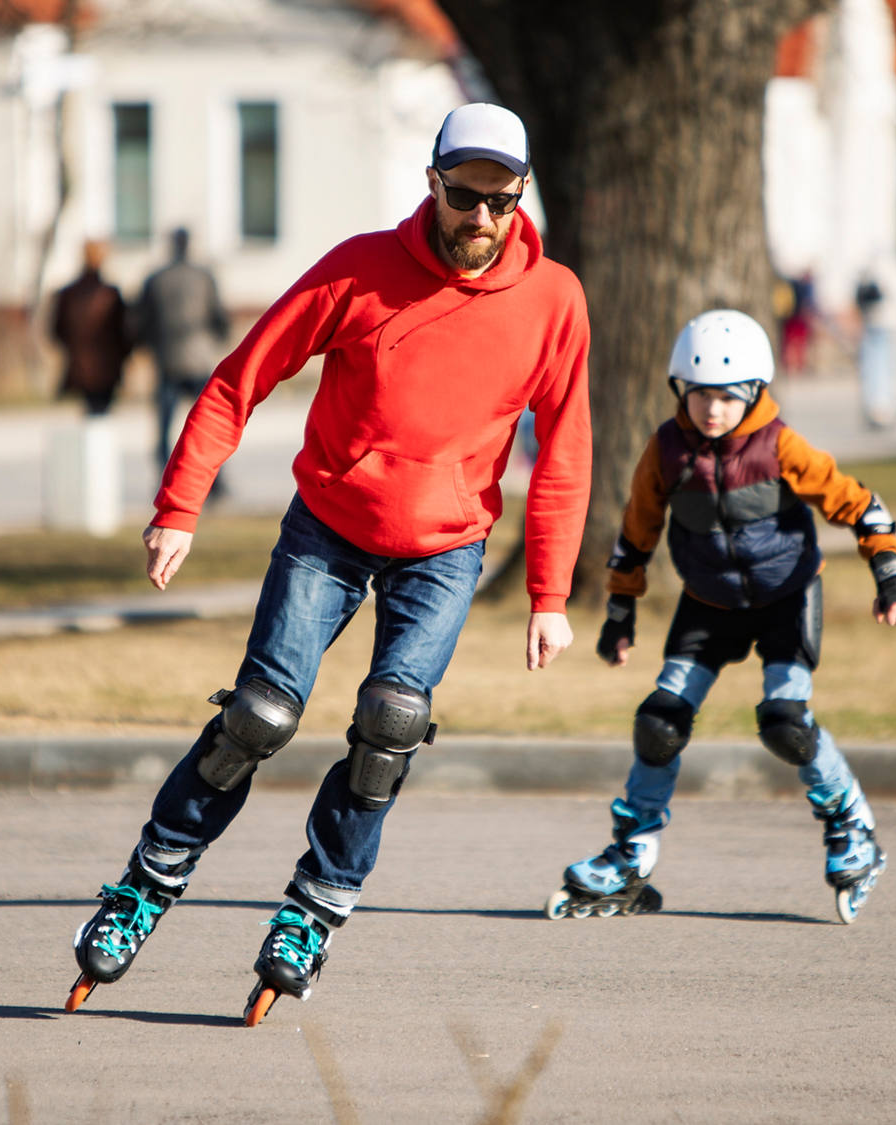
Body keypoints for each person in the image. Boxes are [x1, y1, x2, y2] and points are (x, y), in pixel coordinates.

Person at [65, 102, 592, 1025]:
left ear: (519, 198)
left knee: (391, 724)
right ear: (432, 183)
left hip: (446, 545)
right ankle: (147, 883)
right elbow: (240, 379)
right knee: (258, 719)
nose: (480, 220)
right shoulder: (360, 269)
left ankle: (314, 908)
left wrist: (550, 592)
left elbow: (567, 454)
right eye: (464, 196)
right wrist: (180, 503)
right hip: (331, 525)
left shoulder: (554, 300)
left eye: (499, 202)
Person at [545, 309, 896, 926]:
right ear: (679, 392)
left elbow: (859, 504)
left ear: (754, 393)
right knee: (659, 722)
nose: (712, 411)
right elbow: (637, 531)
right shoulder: (665, 451)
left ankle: (852, 827)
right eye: (699, 397)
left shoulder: (780, 445)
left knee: (785, 723)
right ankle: (633, 849)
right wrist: (619, 612)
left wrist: (891, 575)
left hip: (786, 597)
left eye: (727, 397)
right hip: (708, 602)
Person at [131, 227, 231, 468]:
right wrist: (218, 339)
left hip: (167, 359)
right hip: (199, 358)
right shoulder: (204, 276)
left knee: (165, 427)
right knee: (207, 425)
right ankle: (213, 479)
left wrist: (146, 346)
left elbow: (141, 319)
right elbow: (218, 316)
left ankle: (165, 477)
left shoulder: (156, 279)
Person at [51, 240, 130, 415]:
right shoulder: (109, 294)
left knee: (93, 415)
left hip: (81, 364)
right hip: (106, 364)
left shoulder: (69, 294)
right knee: (99, 417)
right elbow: (124, 332)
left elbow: (57, 330)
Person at [854, 249, 896, 429]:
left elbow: (858, 296)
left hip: (876, 323)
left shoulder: (871, 269)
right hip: (893, 325)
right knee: (889, 367)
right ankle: (885, 408)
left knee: (875, 367)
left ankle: (878, 407)